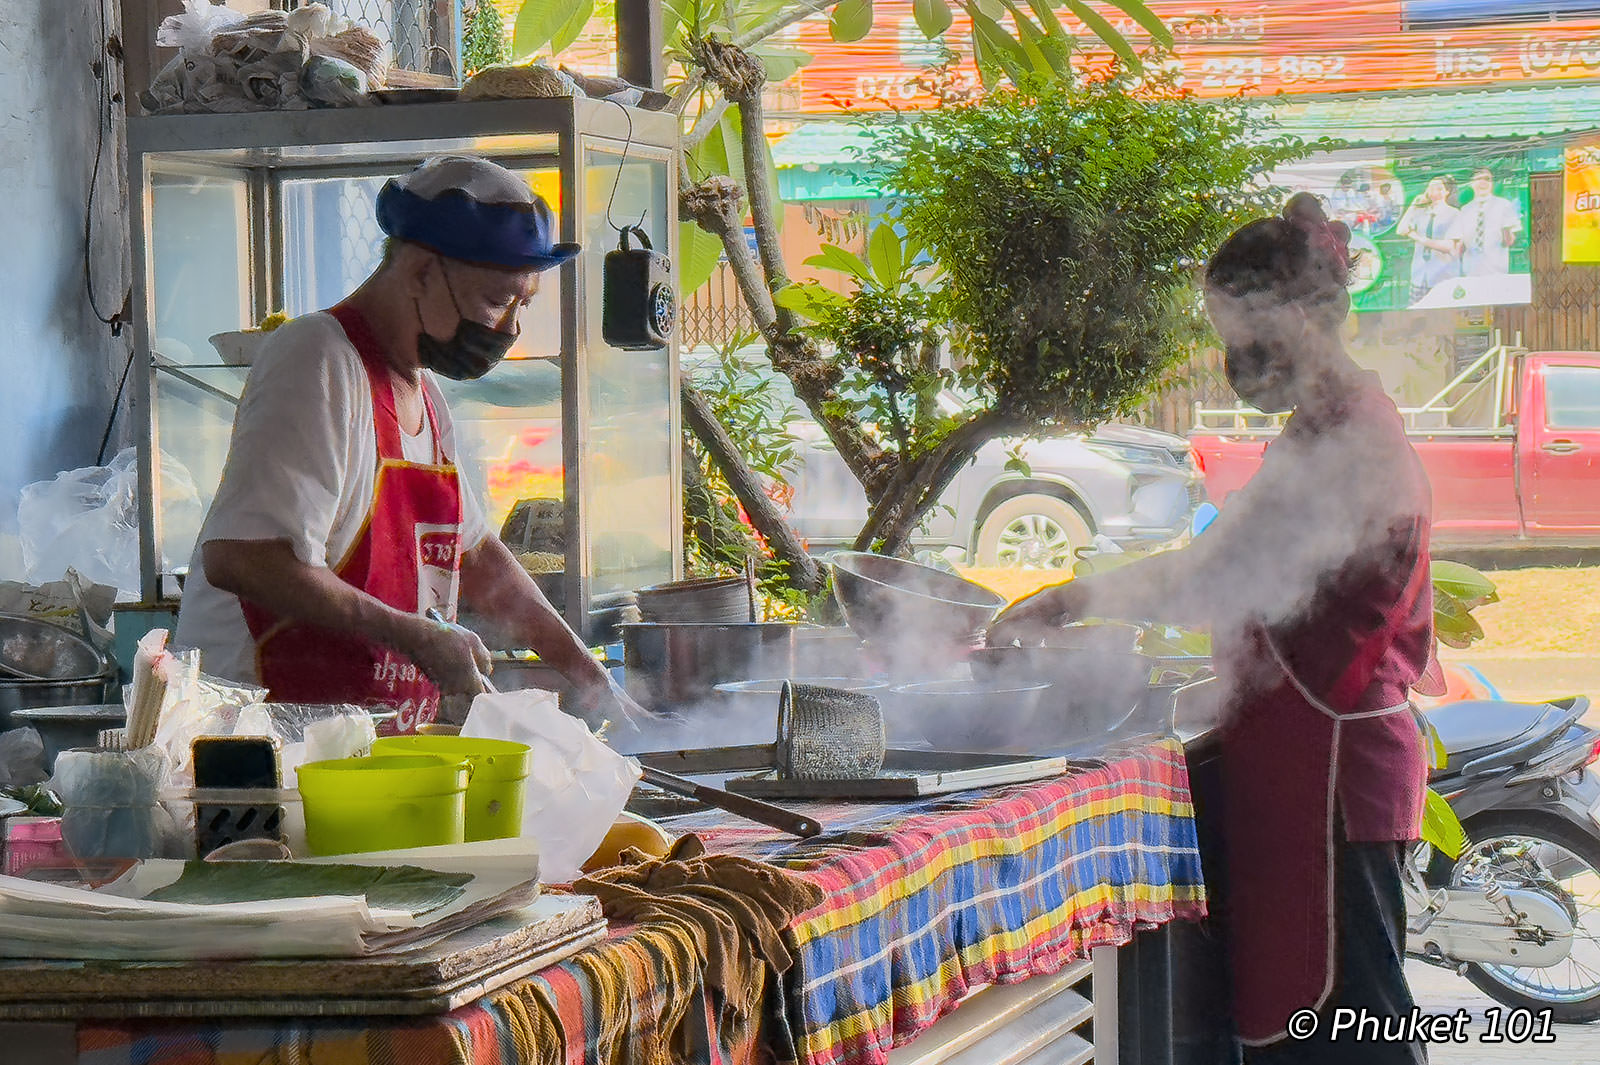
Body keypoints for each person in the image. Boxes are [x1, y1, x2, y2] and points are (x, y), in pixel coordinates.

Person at [990, 194, 1433, 1064]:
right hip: (1300, 770)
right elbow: (1267, 604)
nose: (1234, 357)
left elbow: (1213, 576)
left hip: (1334, 784)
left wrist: (1072, 601)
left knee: (1357, 1035)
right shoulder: (1324, 432)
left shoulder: (1352, 446)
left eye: (1239, 330)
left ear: (1300, 317)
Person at [176, 155, 640, 734]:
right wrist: (416, 634)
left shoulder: (423, 392)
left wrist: (592, 681)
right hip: (261, 746)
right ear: (420, 272)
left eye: (525, 305)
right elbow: (242, 557)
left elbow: (478, 559)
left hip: (362, 747)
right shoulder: (317, 358)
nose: (510, 329)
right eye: (498, 302)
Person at [1448, 167, 1522, 277]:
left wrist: (1505, 228)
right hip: (1470, 272)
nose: (1483, 183)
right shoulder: (1465, 210)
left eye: (1487, 179)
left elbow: (1509, 242)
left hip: (1497, 271)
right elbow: (1459, 246)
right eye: (1479, 179)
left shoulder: (1504, 205)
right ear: (1471, 183)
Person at [1397, 177, 1461, 304]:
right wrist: (1414, 205)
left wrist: (1417, 237)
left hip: (1442, 275)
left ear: (1446, 191)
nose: (1434, 191)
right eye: (1431, 187)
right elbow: (1401, 230)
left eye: (1439, 188)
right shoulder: (1421, 212)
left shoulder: (1453, 213)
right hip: (1419, 275)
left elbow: (1448, 246)